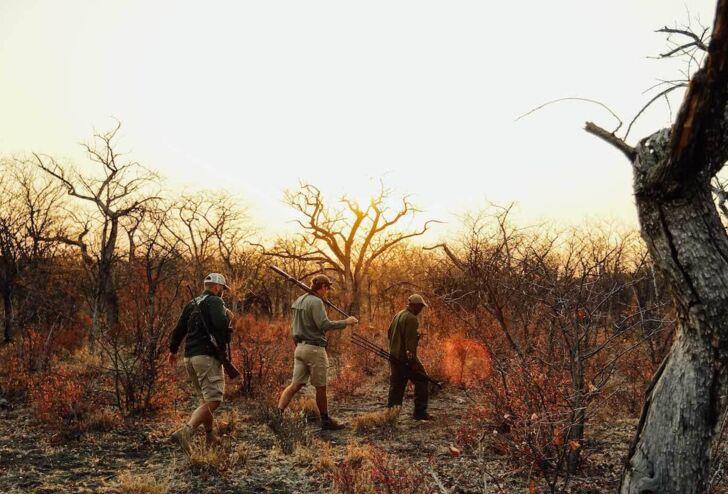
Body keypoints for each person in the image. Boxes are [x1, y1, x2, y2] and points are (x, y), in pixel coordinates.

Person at [274, 274, 358, 430]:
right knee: (321, 387)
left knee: (295, 385)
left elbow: (294, 326)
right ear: (324, 287)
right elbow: (323, 325)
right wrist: (346, 322)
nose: (328, 292)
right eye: (327, 288)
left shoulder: (299, 300)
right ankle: (325, 421)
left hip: (299, 348)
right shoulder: (317, 302)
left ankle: (277, 415)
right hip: (314, 349)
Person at [168, 272, 234, 455]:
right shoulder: (215, 302)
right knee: (214, 399)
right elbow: (221, 324)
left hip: (190, 357)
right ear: (217, 287)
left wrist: (173, 350)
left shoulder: (192, 303)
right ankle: (187, 431)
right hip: (206, 357)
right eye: (223, 289)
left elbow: (179, 328)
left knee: (205, 400)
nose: (223, 293)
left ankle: (210, 437)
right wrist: (228, 318)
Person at [387, 293, 433, 420]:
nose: (421, 310)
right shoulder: (412, 319)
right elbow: (410, 347)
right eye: (420, 307)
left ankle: (391, 416)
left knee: (396, 386)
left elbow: (389, 333)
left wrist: (396, 346)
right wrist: (412, 363)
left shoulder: (398, 314)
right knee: (423, 379)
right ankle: (420, 413)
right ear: (416, 306)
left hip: (393, 356)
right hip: (405, 359)